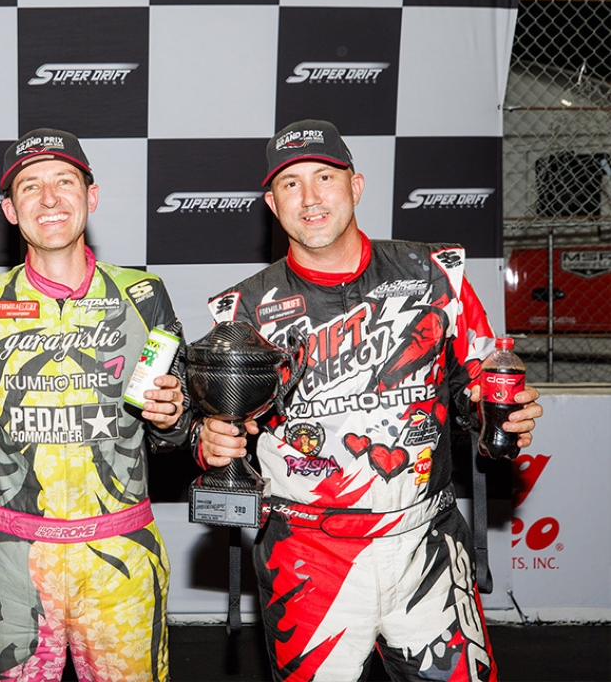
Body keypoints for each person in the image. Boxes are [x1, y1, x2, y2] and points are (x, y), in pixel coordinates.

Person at [193, 119, 543, 682]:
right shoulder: (243, 310)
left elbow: (476, 386)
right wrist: (209, 441)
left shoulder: (436, 275)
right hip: (308, 555)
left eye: (325, 177)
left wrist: (500, 413)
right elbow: (213, 430)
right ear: (272, 204)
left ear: (355, 186)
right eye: (290, 184)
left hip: (426, 543)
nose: (310, 198)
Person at [0, 129, 187, 682]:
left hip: (121, 555)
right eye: (30, 187)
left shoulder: (143, 295)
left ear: (91, 196)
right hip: (11, 558)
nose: (49, 199)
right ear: (10, 210)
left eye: (64, 182)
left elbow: (175, 426)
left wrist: (172, 416)